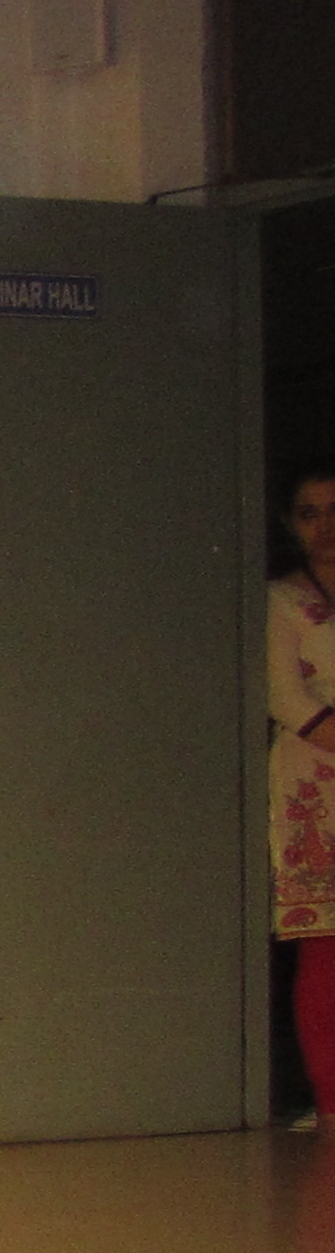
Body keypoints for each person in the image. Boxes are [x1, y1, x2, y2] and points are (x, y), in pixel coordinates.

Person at [273, 468, 335, 1123]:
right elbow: (286, 697)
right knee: (325, 938)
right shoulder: (283, 600)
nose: (326, 527)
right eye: (310, 512)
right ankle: (331, 1102)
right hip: (315, 782)